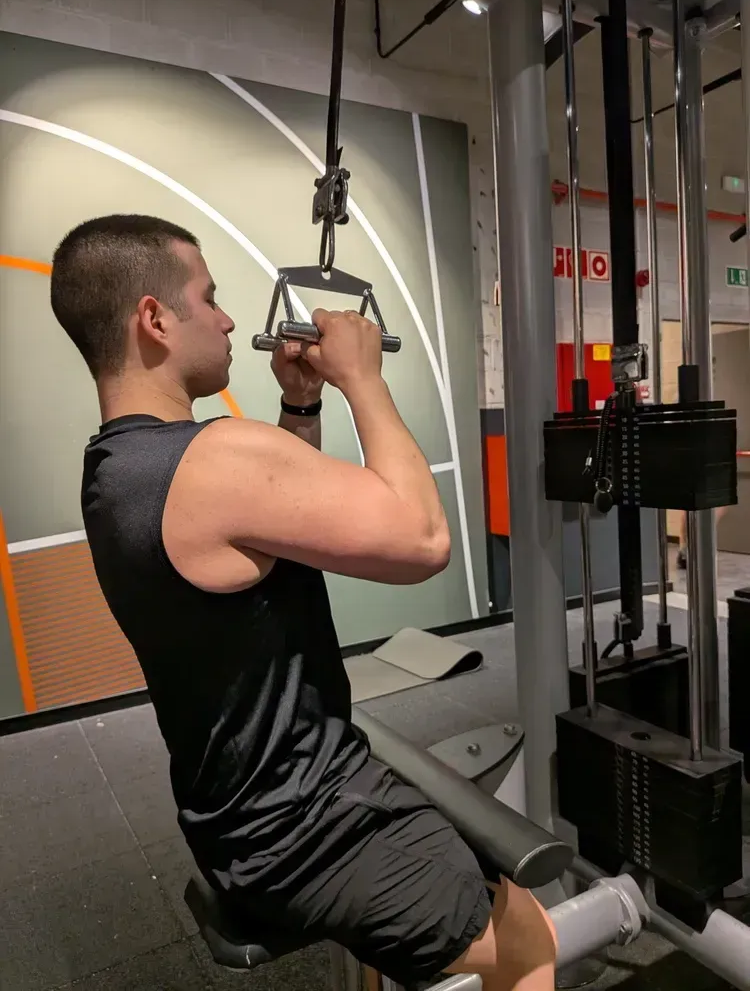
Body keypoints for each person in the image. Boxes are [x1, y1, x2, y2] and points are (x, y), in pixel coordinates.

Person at [50, 214, 557, 991]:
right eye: (208, 298)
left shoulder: (115, 469)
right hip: (309, 827)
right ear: (153, 319)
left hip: (240, 815)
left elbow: (267, 537)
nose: (225, 318)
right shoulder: (215, 454)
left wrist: (301, 404)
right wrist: (364, 379)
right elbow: (423, 539)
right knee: (529, 940)